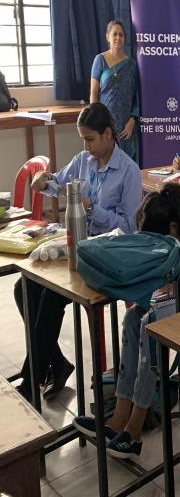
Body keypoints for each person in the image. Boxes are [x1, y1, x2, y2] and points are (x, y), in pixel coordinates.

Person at [72, 182, 180, 457]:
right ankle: (118, 418)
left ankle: (134, 429)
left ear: (173, 229)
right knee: (133, 317)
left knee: (151, 323)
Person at [14, 104, 141, 402]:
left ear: (108, 134)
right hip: (79, 247)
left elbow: (128, 227)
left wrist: (91, 208)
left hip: (108, 256)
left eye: (90, 139)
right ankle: (56, 363)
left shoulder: (129, 171)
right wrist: (43, 179)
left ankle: (30, 383)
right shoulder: (84, 161)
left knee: (51, 295)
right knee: (24, 288)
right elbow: (59, 183)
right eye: (83, 139)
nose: (86, 146)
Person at [89, 20, 140, 164]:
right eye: (114, 34)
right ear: (108, 37)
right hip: (105, 126)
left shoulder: (131, 64)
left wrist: (132, 121)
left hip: (126, 129)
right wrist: (96, 123)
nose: (118, 37)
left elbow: (136, 96)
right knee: (106, 165)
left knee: (126, 166)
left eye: (121, 35)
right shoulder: (100, 60)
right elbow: (94, 94)